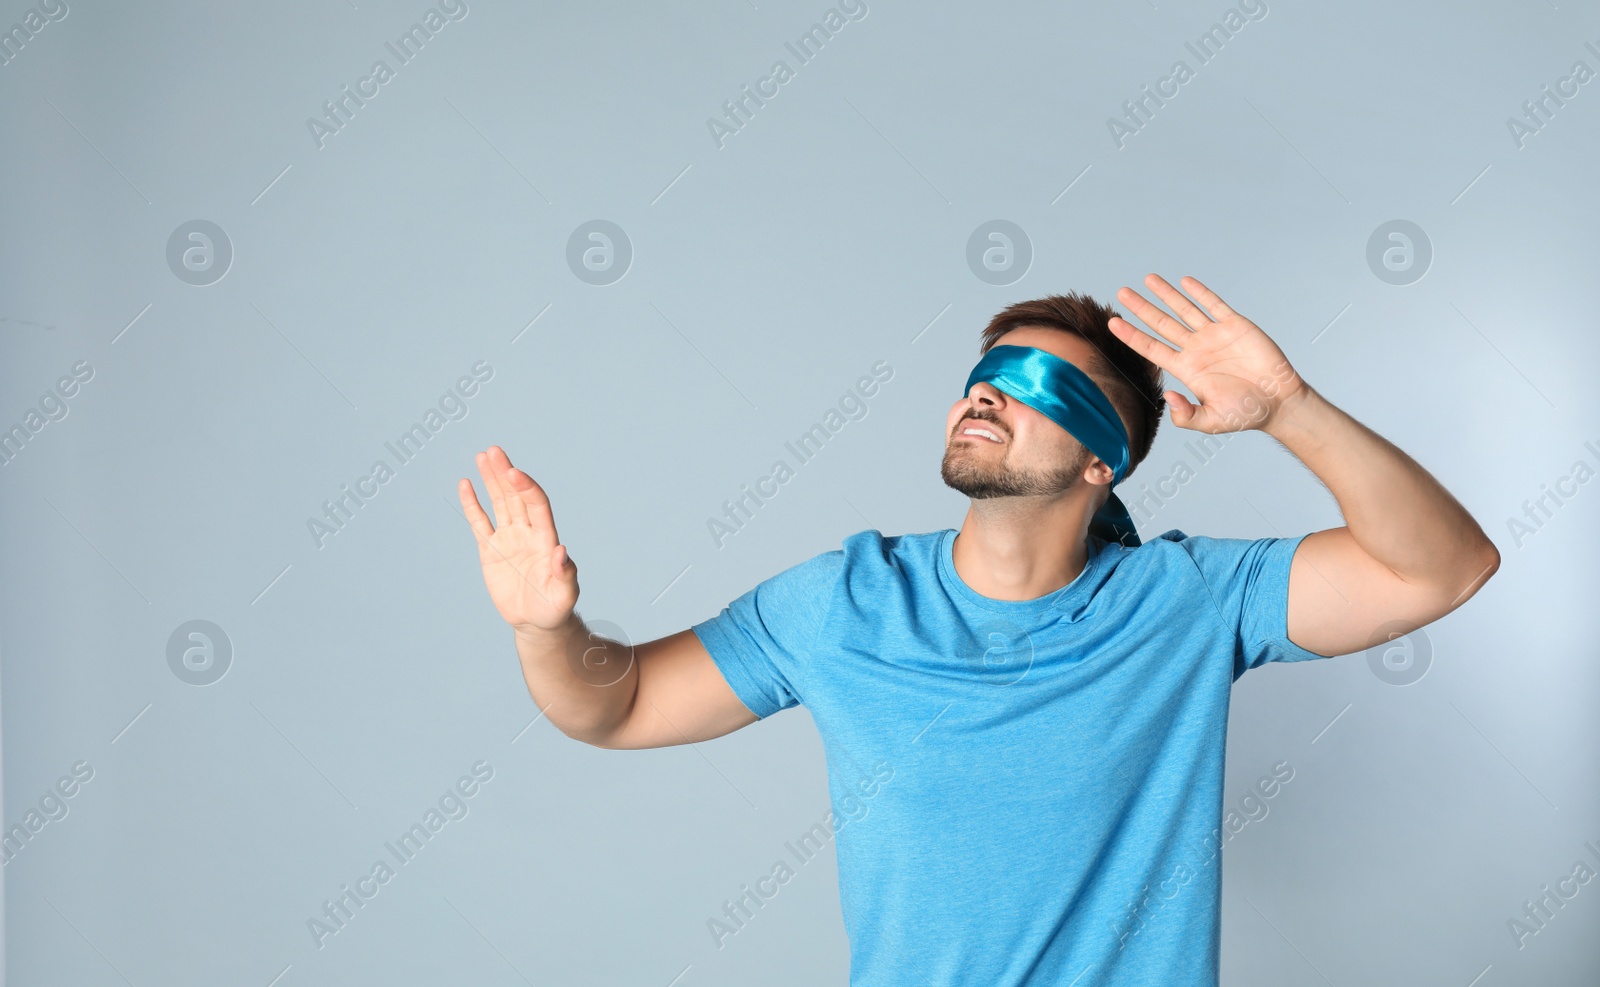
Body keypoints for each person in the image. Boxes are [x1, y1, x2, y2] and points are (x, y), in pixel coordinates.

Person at [456, 274, 1500, 986]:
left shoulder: (1183, 600)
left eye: (1035, 386)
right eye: (980, 377)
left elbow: (1442, 565)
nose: (985, 397)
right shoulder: (844, 600)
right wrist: (547, 628)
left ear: (1105, 461)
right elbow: (619, 703)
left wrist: (1287, 406)